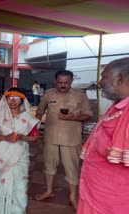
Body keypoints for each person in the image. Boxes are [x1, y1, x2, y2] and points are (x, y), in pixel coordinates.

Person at [35, 70, 93, 209]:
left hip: (71, 139)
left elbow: (88, 115)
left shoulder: (80, 96)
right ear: (55, 81)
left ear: (71, 81)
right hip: (51, 137)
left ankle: (73, 196)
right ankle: (49, 191)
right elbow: (38, 113)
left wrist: (73, 117)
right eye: (60, 82)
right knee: (49, 165)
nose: (63, 85)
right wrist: (33, 130)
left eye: (66, 82)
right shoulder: (48, 94)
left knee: (72, 168)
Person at [78, 58, 129, 214]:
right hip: (94, 194)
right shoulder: (117, 107)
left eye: (103, 76)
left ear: (119, 78)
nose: (100, 82)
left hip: (113, 202)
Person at [0, 87, 40, 214]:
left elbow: (35, 138)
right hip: (0, 154)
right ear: (5, 99)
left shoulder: (27, 117)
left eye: (16, 98)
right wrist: (4, 137)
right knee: (0, 184)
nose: (13, 100)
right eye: (10, 97)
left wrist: (22, 137)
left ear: (22, 100)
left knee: (20, 186)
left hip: (20, 155)